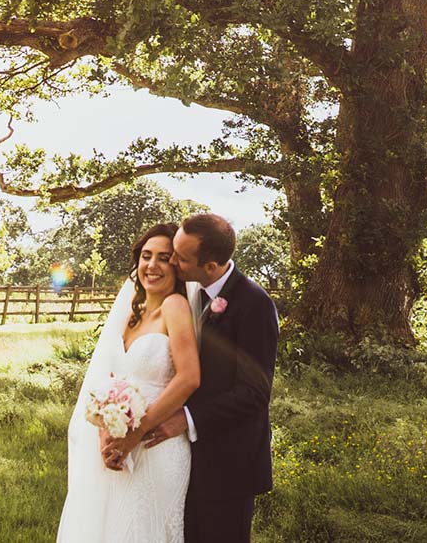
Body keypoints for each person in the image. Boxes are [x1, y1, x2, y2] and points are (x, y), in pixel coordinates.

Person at [56, 223, 200, 543]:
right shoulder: (132, 313)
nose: (152, 265)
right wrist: (106, 431)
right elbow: (110, 378)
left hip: (156, 444)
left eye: (164, 258)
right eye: (146, 256)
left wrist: (135, 434)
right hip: (118, 442)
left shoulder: (174, 307)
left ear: (177, 266)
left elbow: (189, 378)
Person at [147, 213, 278, 543]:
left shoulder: (254, 304)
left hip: (230, 462)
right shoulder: (193, 292)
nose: (173, 261)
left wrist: (186, 420)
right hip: (190, 459)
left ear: (211, 265)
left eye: (181, 257)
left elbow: (254, 393)